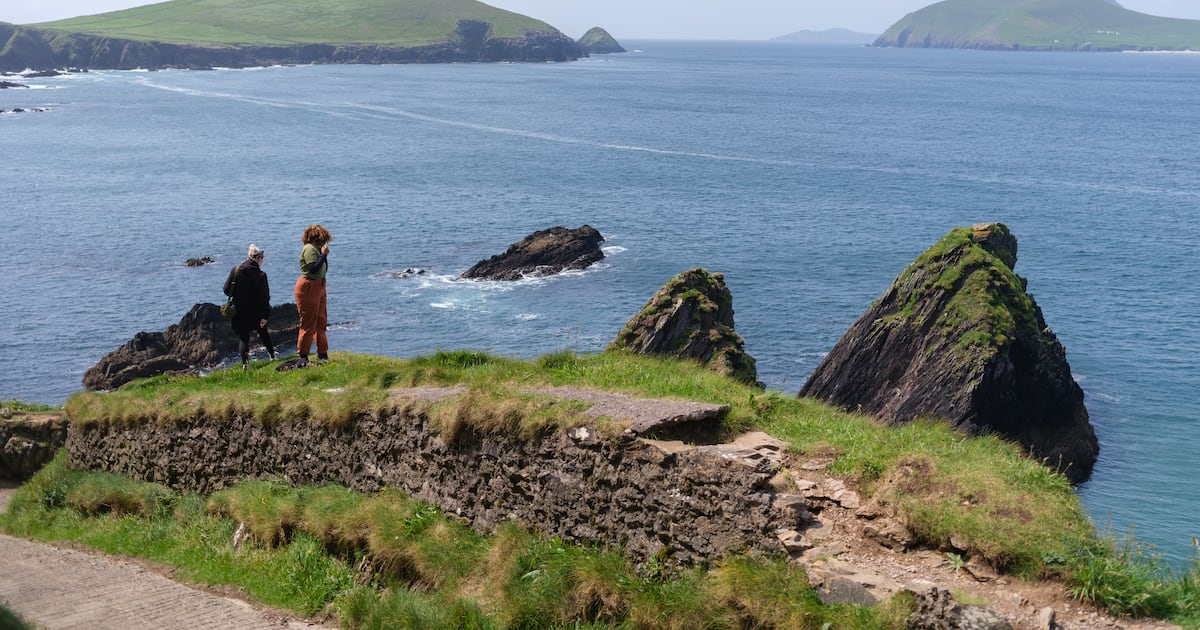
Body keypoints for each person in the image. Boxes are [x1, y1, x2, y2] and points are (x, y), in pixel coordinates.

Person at [223, 244, 276, 370]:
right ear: (258, 258)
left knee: (243, 338)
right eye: (262, 258)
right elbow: (265, 297)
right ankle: (272, 356)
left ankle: (245, 364)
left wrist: (238, 295)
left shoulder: (236, 270)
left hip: (239, 311)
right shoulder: (261, 275)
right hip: (256, 312)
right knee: (264, 333)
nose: (262, 261)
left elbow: (226, 290)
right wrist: (265, 315)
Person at [294, 224, 332, 366]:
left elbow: (323, 268)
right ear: (318, 238)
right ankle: (303, 355)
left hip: (319, 285)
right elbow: (313, 269)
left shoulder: (315, 249)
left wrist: (323, 255)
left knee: (321, 321)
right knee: (308, 323)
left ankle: (322, 353)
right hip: (309, 286)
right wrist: (323, 254)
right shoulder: (309, 249)